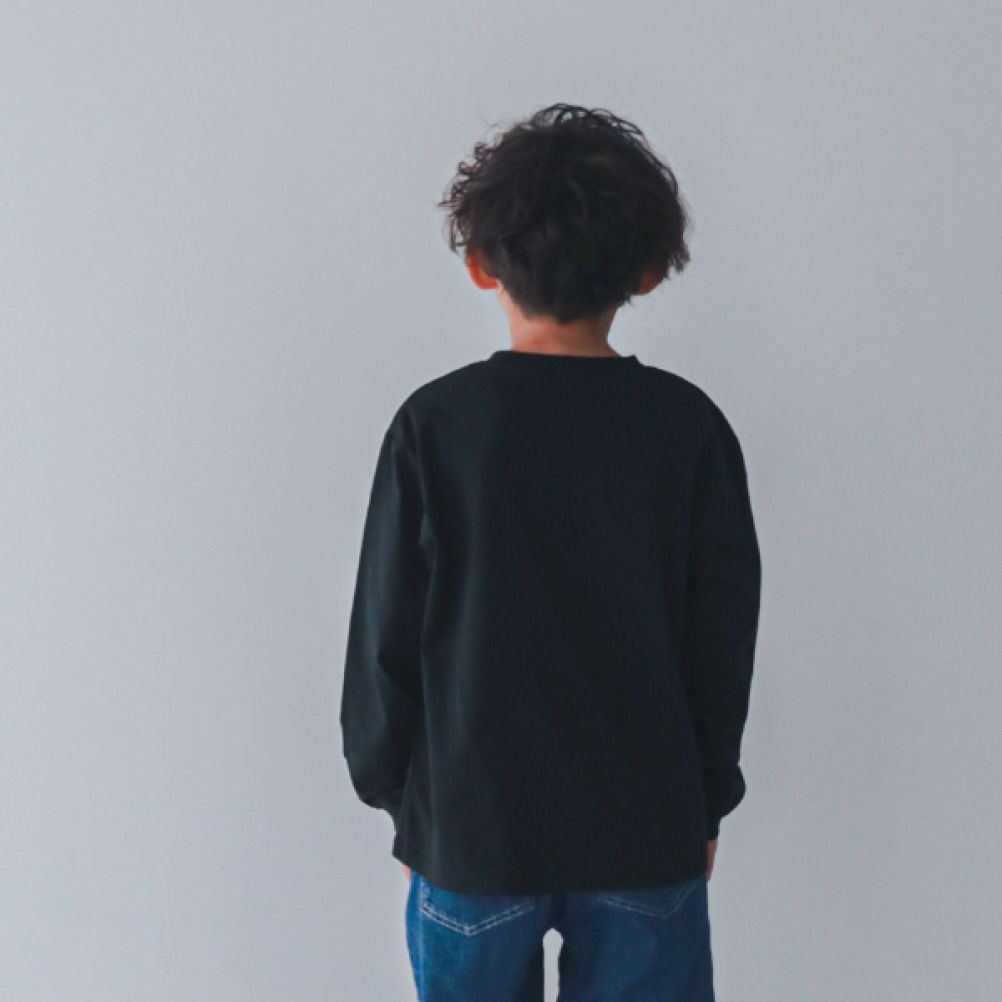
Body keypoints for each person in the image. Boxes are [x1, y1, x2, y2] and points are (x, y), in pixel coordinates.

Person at [340, 102, 762, 1002]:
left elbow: (385, 636)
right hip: (646, 826)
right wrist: (706, 797)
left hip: (474, 830)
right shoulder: (688, 429)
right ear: (649, 271)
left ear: (480, 263)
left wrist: (402, 799)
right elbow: (721, 643)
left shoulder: (438, 427)